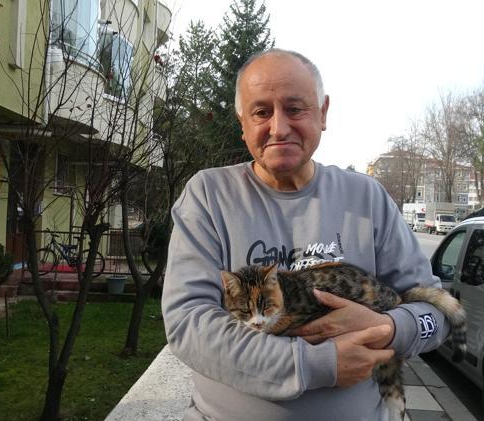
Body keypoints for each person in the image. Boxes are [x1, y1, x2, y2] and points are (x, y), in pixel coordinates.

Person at [161, 48, 450, 421]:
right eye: (261, 112)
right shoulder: (208, 195)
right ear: (242, 122)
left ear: (323, 113)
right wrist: (319, 364)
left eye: (295, 109)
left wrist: (389, 327)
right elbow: (188, 325)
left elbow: (436, 316)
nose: (279, 128)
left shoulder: (367, 197)